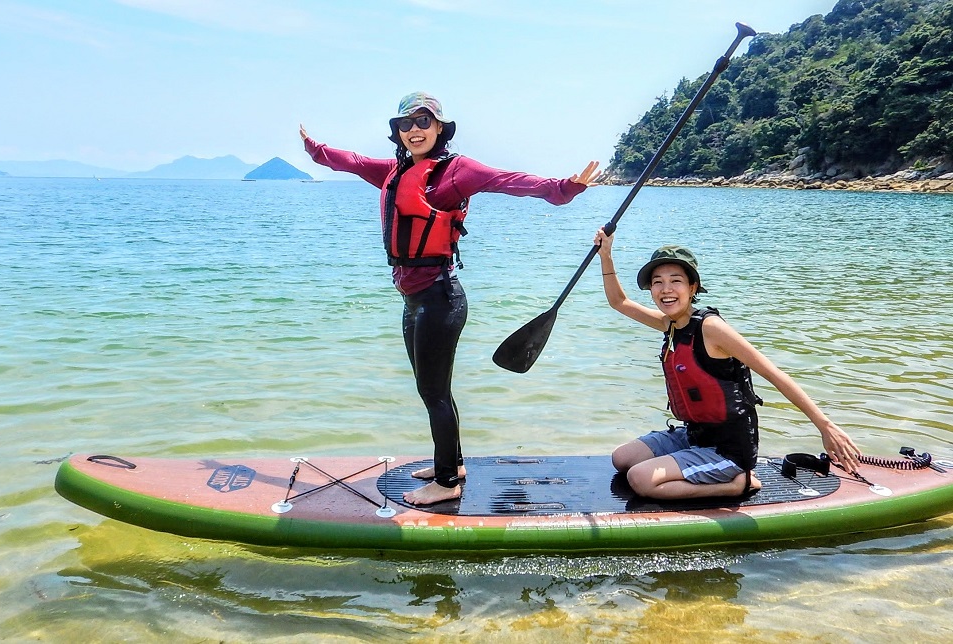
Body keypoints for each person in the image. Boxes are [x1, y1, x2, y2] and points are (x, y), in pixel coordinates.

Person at [300, 92, 601, 505]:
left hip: (440, 298)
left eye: (423, 121)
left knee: (433, 392)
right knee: (435, 389)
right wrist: (313, 147)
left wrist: (566, 187)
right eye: (405, 124)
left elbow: (512, 181)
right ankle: (453, 464)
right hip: (413, 302)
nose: (414, 130)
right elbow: (348, 161)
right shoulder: (393, 170)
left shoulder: (459, 171)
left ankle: (446, 484)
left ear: (440, 127)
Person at [593, 229, 862, 500]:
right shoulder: (670, 324)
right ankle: (687, 462)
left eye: (676, 281)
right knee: (622, 458)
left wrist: (824, 425)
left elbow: (773, 373)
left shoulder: (711, 329)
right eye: (657, 282)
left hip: (729, 449)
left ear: (692, 288)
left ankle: (738, 483)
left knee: (639, 478)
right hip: (694, 435)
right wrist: (606, 255)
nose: (666, 290)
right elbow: (620, 302)